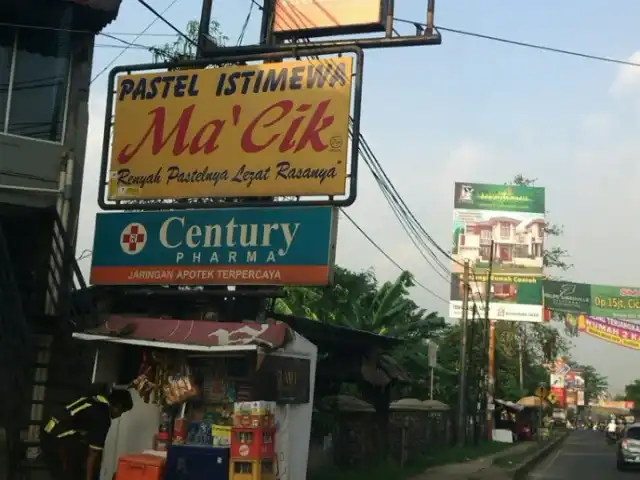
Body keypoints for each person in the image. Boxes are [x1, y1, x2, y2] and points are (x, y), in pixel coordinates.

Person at [40, 389, 133, 480]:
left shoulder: (96, 398)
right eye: (121, 411)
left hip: (48, 431)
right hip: (59, 438)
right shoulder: (103, 418)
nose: (119, 415)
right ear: (118, 406)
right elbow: (93, 456)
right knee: (68, 472)